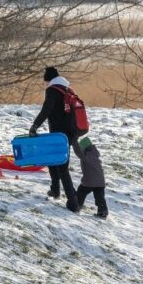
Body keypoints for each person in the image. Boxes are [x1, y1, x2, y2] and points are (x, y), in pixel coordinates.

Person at [29, 66, 82, 212]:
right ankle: (55, 189)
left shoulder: (52, 90)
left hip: (59, 134)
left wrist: (35, 125)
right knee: (52, 158)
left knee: (62, 167)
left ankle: (73, 202)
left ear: (49, 79)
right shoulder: (67, 89)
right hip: (69, 133)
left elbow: (47, 109)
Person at [75, 137, 109, 219]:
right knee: (100, 197)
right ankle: (103, 210)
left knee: (81, 192)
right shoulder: (94, 153)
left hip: (89, 181)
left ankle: (77, 205)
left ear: (83, 147)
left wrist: (74, 142)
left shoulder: (86, 154)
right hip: (100, 181)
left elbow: (78, 152)